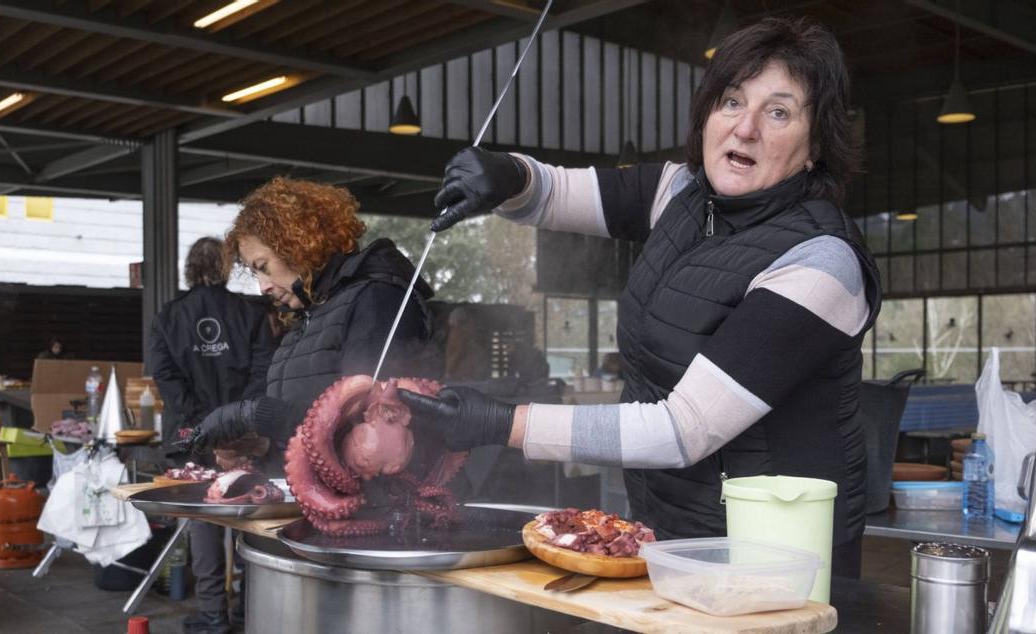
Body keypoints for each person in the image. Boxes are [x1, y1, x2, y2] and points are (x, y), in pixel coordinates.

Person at [402, 17, 881, 579]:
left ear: (815, 146)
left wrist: (503, 423)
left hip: (778, 555)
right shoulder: (683, 194)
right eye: (731, 101)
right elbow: (553, 193)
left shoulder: (821, 263)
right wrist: (508, 175)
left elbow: (683, 429)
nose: (745, 128)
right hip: (673, 529)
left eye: (778, 112)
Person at [179, 176, 435, 472]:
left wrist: (253, 414)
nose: (263, 287)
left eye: (263, 267)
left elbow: (367, 429)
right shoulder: (310, 316)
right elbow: (303, 434)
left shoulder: (376, 300)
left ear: (298, 246)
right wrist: (262, 447)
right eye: (255, 273)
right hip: (310, 497)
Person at [147, 236, 277, 634]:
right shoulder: (250, 313)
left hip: (191, 436)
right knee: (247, 513)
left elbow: (166, 377)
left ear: (189, 269)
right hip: (244, 434)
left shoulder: (169, 316)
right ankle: (248, 613)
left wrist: (201, 425)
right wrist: (234, 423)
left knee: (203, 518)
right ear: (224, 268)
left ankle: (212, 615)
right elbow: (264, 372)